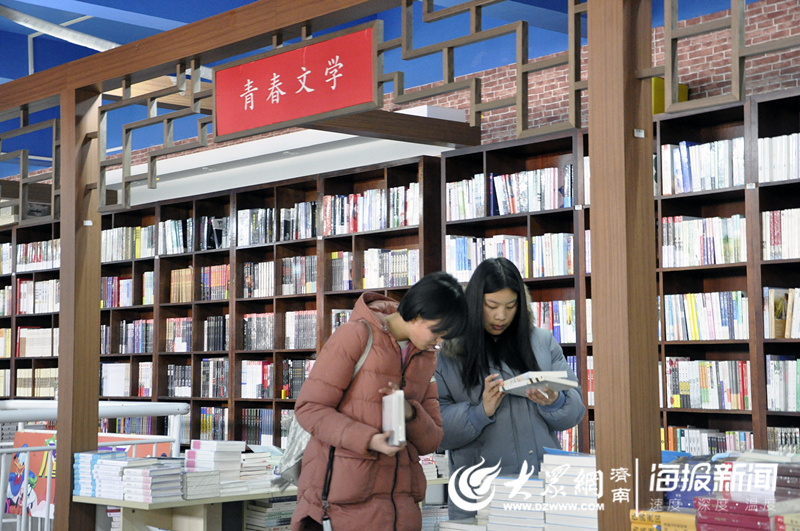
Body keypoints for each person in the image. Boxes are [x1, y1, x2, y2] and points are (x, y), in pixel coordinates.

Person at [290, 271, 468, 531]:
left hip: (400, 510)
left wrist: (410, 412)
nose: (439, 341)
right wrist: (369, 439)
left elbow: (432, 441)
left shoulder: (427, 358)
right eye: (437, 331)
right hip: (342, 507)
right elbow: (309, 408)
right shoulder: (355, 336)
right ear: (417, 315)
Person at [436, 257, 586, 520]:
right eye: (491, 305)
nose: (501, 316)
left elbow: (576, 410)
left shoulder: (541, 342)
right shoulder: (449, 352)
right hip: (480, 495)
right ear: (475, 303)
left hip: (542, 487)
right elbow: (434, 429)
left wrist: (554, 401)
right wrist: (480, 412)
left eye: (511, 305)